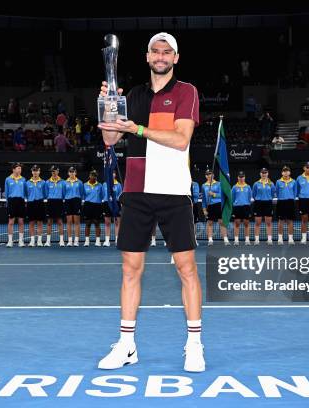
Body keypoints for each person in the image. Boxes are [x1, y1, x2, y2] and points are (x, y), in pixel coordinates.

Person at [97, 32, 203, 372]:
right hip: (137, 190)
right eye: (155, 51)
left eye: (166, 52)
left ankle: (195, 345)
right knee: (130, 269)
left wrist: (137, 129)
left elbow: (180, 138)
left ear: (175, 58)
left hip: (174, 191)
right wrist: (108, 105)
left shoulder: (186, 92)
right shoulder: (132, 96)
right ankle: (127, 345)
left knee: (187, 269)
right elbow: (111, 138)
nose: (160, 56)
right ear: (147, 57)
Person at [202, 169, 228, 246]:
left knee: (222, 222)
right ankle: (210, 240)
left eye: (210, 174)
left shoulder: (219, 184)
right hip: (209, 206)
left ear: (213, 175)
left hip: (218, 204)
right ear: (206, 176)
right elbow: (203, 199)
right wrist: (204, 209)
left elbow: (222, 195)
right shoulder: (204, 185)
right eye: (207, 174)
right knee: (209, 223)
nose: (209, 175)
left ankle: (225, 239)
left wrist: (213, 194)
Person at [252, 168, 276, 245]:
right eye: (262, 172)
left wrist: (267, 198)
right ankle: (256, 240)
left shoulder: (271, 184)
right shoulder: (256, 184)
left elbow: (273, 194)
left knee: (268, 222)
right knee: (257, 222)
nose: (264, 174)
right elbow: (254, 194)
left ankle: (269, 240)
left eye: (265, 172)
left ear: (267, 173)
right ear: (260, 174)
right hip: (258, 203)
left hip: (268, 203)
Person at [5, 163, 26, 247]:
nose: (19, 170)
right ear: (13, 169)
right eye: (18, 168)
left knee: (21, 221)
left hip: (20, 201)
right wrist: (8, 202)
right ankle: (10, 241)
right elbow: (6, 192)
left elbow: (25, 192)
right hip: (11, 201)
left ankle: (21, 241)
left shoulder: (23, 179)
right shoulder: (8, 179)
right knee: (11, 222)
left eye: (20, 169)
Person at [44, 166, 66, 247]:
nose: (53, 172)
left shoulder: (63, 182)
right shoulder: (47, 182)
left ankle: (61, 241)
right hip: (50, 202)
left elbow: (64, 193)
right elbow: (46, 194)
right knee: (49, 222)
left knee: (60, 222)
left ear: (58, 171)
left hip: (59, 202)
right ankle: (48, 241)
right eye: (52, 171)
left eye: (54, 171)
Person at [25, 165, 46, 247]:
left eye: (36, 170)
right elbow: (26, 194)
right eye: (34, 170)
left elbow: (45, 193)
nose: (35, 172)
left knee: (40, 222)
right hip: (31, 203)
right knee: (31, 223)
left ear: (39, 171)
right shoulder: (27, 183)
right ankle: (32, 241)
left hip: (40, 203)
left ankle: (40, 241)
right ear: (32, 172)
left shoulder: (43, 182)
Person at [275, 166, 297, 245]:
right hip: (281, 202)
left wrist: (290, 198)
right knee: (281, 221)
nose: (285, 172)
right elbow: (277, 192)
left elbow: (295, 193)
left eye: (287, 171)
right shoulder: (278, 182)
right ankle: (280, 239)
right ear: (282, 173)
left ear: (289, 172)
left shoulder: (294, 182)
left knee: (290, 221)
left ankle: (290, 239)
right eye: (284, 171)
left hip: (290, 202)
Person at [64, 167, 84, 246]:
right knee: (69, 221)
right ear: (68, 173)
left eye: (73, 172)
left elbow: (81, 193)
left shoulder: (79, 182)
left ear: (75, 173)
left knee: (76, 221)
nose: (72, 173)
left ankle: (76, 240)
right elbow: (63, 193)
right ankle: (69, 240)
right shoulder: (65, 182)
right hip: (68, 201)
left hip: (76, 201)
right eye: (70, 172)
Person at [102, 169, 123, 247]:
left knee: (117, 222)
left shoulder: (119, 185)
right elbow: (103, 195)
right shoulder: (104, 184)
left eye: (113, 173)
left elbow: (120, 196)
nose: (112, 175)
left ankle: (117, 240)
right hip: (107, 203)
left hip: (116, 204)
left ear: (115, 175)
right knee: (107, 222)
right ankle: (107, 241)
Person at [83, 170, 103, 247]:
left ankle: (98, 241)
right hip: (88, 205)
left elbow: (101, 195)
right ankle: (87, 241)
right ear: (89, 176)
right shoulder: (84, 185)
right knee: (88, 223)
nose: (93, 177)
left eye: (95, 176)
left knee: (96, 223)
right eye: (92, 175)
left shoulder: (100, 185)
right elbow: (83, 195)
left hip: (97, 205)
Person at [231, 171, 252, 245]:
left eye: (242, 177)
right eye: (240, 177)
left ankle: (247, 240)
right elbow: (232, 198)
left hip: (246, 207)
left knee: (246, 224)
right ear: (238, 178)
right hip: (237, 207)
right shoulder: (234, 187)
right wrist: (236, 204)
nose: (241, 178)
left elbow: (249, 198)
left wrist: (246, 203)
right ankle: (236, 240)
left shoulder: (248, 187)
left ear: (244, 177)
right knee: (237, 224)